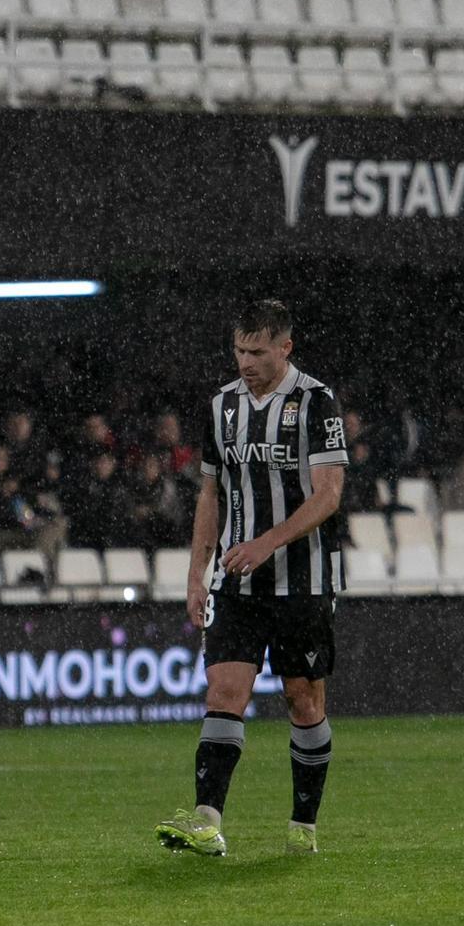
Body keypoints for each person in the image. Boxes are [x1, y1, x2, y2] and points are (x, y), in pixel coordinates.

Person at [155, 298, 347, 860]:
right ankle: (207, 821)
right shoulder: (221, 406)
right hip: (237, 584)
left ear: (285, 348)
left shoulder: (316, 401)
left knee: (302, 699)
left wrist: (268, 542)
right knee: (224, 691)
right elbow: (210, 494)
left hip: (302, 580)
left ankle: (303, 825)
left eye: (258, 351)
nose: (245, 361)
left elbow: (329, 495)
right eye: (239, 349)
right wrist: (197, 574)